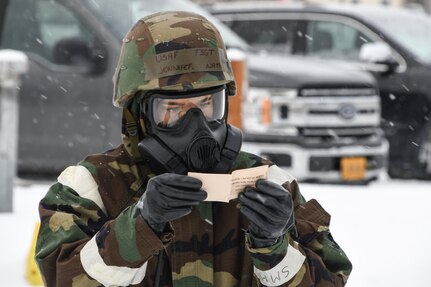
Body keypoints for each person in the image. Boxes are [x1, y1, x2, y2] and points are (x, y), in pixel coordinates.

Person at [35, 11, 352, 287]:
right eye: (173, 108)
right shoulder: (91, 186)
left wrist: (274, 249)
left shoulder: (266, 182)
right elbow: (62, 278)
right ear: (139, 113)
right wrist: (140, 227)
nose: (198, 126)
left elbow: (332, 279)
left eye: (207, 104)